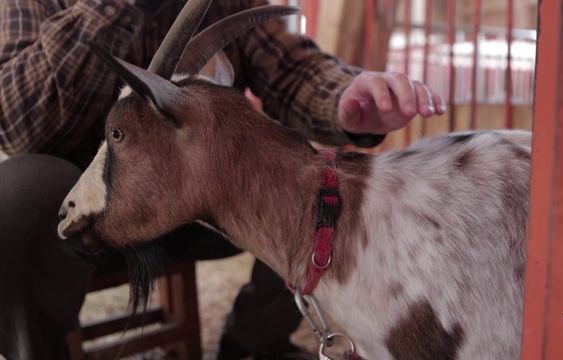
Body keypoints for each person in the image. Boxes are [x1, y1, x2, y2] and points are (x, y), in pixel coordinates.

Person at [0, 0, 445, 359]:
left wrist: (345, 98)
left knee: (310, 181)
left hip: (204, 207)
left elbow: (290, 69)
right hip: (84, 217)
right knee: (19, 192)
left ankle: (252, 341)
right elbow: (21, 124)